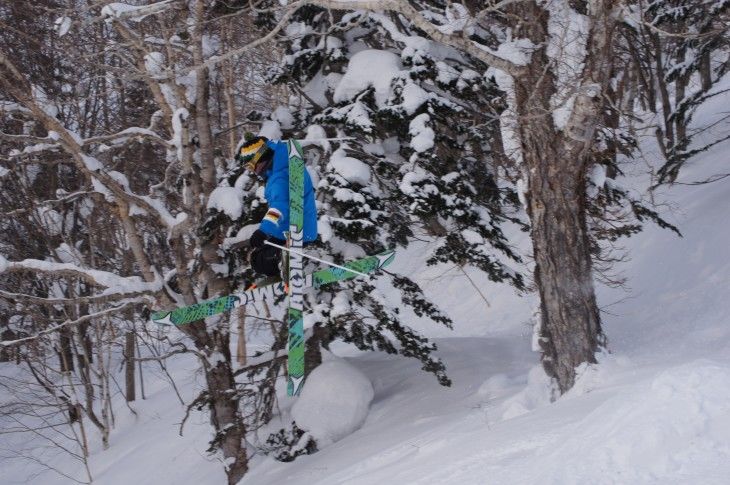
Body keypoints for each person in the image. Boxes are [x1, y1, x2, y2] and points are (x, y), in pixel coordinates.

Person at [235, 136, 318, 277]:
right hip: (294, 231)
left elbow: (279, 208)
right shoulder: (285, 167)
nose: (251, 170)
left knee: (258, 260)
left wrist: (263, 231)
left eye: (250, 165)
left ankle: (284, 258)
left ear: (260, 158)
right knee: (259, 254)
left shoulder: (278, 179)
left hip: (295, 234)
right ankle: (283, 264)